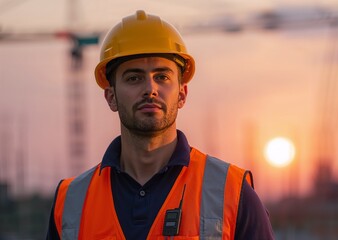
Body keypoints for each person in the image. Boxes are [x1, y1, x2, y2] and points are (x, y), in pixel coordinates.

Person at [46, 10, 274, 240]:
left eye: (162, 77)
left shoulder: (232, 193)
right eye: (133, 78)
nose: (150, 89)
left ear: (182, 94)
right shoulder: (71, 204)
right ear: (111, 97)